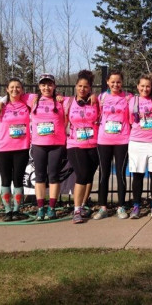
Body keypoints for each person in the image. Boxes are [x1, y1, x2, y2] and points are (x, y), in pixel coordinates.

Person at [0, 78, 31, 221]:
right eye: (11, 87)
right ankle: (7, 211)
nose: (15, 90)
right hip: (3, 147)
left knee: (18, 179)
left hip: (22, 147)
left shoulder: (27, 105)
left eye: (18, 87)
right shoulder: (1, 106)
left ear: (22, 90)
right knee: (5, 179)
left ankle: (17, 210)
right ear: (7, 89)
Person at [94, 70, 132, 220]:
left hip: (122, 140)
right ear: (107, 82)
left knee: (121, 174)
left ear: (122, 83)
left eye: (118, 82)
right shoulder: (101, 97)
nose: (116, 84)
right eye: (113, 82)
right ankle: (103, 207)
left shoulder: (128, 98)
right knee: (104, 174)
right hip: (104, 140)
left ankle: (121, 206)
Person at [128, 74, 152, 219]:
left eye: (148, 86)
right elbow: (129, 119)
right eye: (142, 86)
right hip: (137, 142)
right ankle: (136, 206)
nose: (145, 88)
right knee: (137, 175)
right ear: (137, 86)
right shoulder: (132, 100)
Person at [30, 74, 67, 221]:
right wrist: (1, 102)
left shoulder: (61, 101)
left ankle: (51, 208)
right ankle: (40, 208)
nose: (46, 88)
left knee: (53, 176)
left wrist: (59, 97)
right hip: (38, 145)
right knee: (40, 177)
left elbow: (79, 100)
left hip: (56, 145)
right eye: (43, 85)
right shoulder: (32, 99)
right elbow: (13, 94)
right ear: (39, 87)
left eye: (49, 85)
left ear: (54, 86)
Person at [65, 70, 100, 224]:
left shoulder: (96, 101)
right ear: (75, 86)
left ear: (90, 88)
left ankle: (84, 204)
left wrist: (96, 97)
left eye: (86, 87)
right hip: (75, 144)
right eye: (80, 86)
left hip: (94, 143)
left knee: (89, 176)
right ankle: (77, 209)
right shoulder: (68, 102)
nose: (82, 89)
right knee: (82, 175)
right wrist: (2, 100)